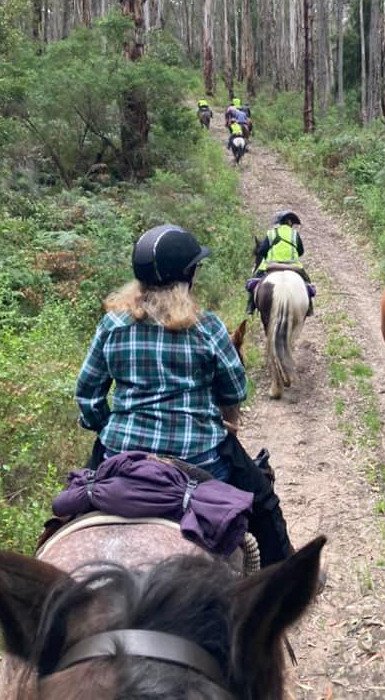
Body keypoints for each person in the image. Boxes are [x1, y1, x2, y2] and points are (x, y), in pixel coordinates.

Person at [75, 223, 293, 567]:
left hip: (120, 454)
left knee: (69, 506)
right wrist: (218, 415)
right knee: (265, 505)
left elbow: (88, 394)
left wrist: (106, 426)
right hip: (200, 457)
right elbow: (235, 389)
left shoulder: (112, 325)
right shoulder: (207, 326)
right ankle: (293, 577)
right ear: (188, 276)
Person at [246, 210, 311, 315]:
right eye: (292, 222)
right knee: (307, 284)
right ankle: (309, 307)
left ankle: (250, 306)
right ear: (289, 222)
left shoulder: (271, 233)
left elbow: (262, 251)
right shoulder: (294, 234)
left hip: (273, 265)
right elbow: (301, 251)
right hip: (293, 266)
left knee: (254, 282)